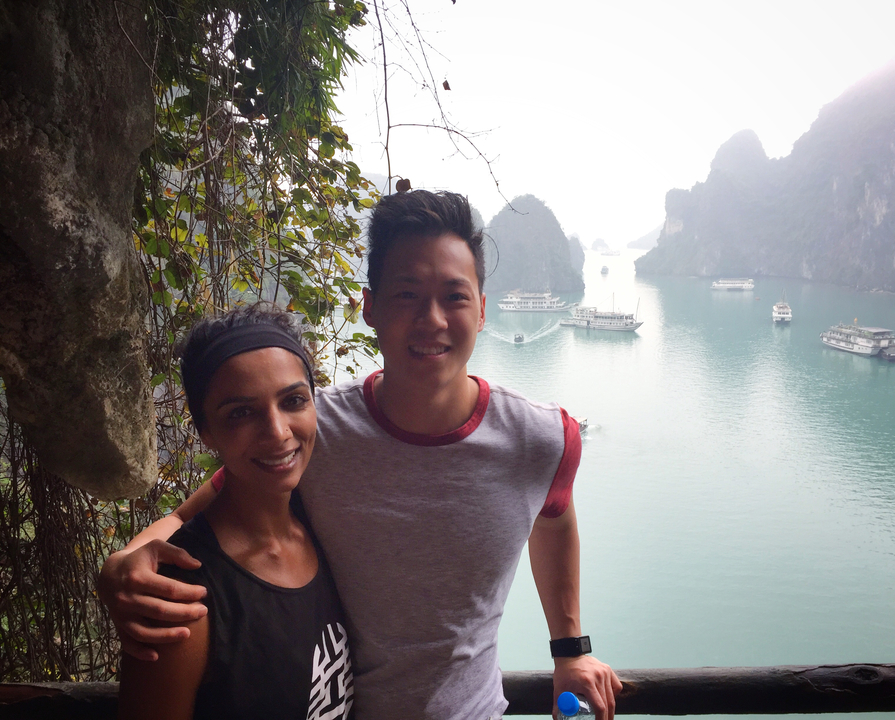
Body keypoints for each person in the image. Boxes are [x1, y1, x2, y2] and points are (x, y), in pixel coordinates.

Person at [100, 190, 622, 720]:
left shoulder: (541, 439)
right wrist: (125, 562)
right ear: (370, 307)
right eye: (407, 295)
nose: (432, 319)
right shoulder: (309, 429)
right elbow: (206, 508)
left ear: (483, 309)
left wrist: (570, 649)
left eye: (455, 296)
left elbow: (553, 519)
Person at [117, 304, 353, 720]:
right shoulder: (183, 597)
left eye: (294, 400)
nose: (278, 432)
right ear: (206, 431)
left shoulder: (322, 515)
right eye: (241, 413)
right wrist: (119, 567)